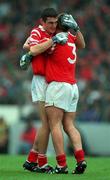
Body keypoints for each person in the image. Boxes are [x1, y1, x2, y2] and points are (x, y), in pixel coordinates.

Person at [21, 8, 68, 173]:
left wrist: (29, 55)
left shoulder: (49, 34)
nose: (53, 26)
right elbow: (30, 47)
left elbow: (27, 46)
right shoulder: (38, 31)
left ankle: (31, 159)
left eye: (55, 23)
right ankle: (41, 163)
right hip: (41, 80)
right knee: (46, 124)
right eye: (50, 23)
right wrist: (30, 54)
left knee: (48, 124)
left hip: (50, 80)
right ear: (42, 22)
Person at [45, 13, 87, 174]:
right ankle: (80, 160)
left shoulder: (56, 39)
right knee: (69, 125)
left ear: (59, 24)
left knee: (54, 125)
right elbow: (82, 44)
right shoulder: (70, 37)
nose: (53, 24)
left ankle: (61, 165)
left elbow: (37, 50)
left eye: (56, 22)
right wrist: (76, 28)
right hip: (72, 87)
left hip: (58, 85)